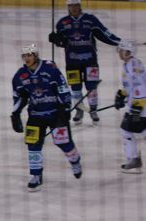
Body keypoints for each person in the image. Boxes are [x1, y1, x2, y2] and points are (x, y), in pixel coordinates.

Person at [11, 43, 82, 191]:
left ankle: (75, 161)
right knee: (33, 145)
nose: (27, 58)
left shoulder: (50, 69)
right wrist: (15, 114)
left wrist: (65, 107)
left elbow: (63, 88)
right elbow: (18, 96)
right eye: (24, 56)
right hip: (36, 115)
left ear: (36, 55)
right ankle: (36, 175)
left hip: (55, 113)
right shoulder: (20, 76)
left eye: (29, 55)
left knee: (63, 143)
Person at [48, 0, 121, 124]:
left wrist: (119, 42)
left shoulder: (90, 20)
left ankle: (93, 110)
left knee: (91, 88)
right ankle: (79, 110)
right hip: (72, 62)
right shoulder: (62, 23)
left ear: (80, 6)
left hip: (90, 61)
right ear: (68, 7)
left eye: (76, 5)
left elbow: (104, 34)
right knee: (75, 88)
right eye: (71, 6)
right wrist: (56, 40)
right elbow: (62, 42)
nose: (74, 8)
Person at [114, 40, 145, 173]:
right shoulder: (127, 65)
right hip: (137, 104)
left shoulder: (134, 65)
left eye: (122, 50)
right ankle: (135, 161)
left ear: (128, 52)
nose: (119, 53)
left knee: (126, 131)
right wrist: (121, 94)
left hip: (141, 106)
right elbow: (130, 86)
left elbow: (141, 86)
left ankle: (134, 160)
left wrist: (137, 107)